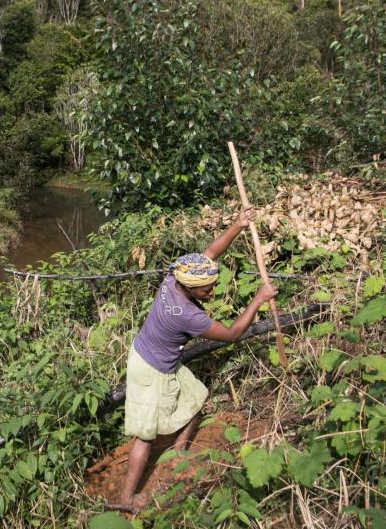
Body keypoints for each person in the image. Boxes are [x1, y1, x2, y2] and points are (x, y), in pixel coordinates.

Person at [119, 208, 278, 509]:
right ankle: (127, 499)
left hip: (154, 357)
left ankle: (178, 452)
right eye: (208, 287)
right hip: (151, 369)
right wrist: (258, 298)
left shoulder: (173, 279)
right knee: (145, 436)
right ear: (192, 287)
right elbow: (232, 334)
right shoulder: (187, 315)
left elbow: (208, 254)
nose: (212, 290)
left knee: (195, 397)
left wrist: (238, 225)